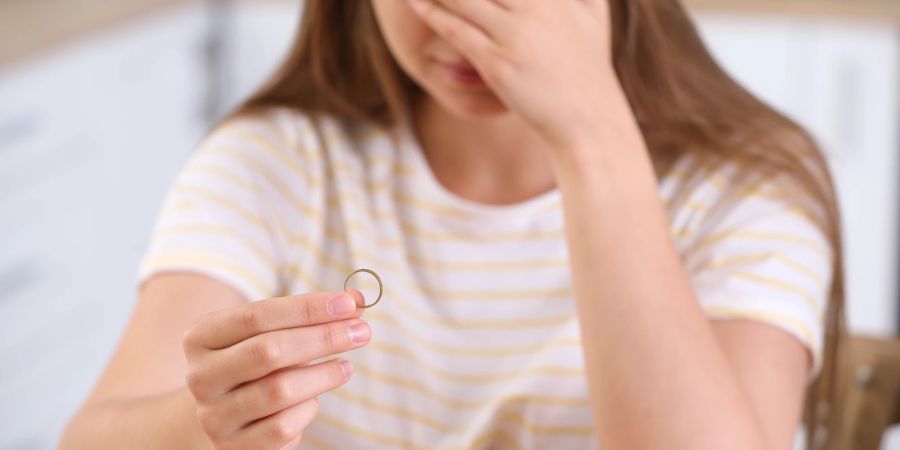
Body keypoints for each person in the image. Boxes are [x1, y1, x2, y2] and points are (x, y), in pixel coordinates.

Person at [60, 0, 846, 449]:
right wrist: (210, 421)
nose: (466, 21)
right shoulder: (280, 163)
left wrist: (591, 135)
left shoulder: (748, 187)